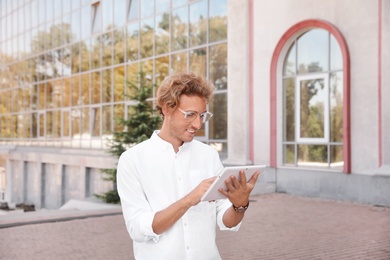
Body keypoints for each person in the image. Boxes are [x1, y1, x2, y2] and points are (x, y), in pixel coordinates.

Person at [117, 72, 260, 259]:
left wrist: (239, 205)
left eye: (202, 115)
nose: (198, 123)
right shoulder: (132, 160)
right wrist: (190, 199)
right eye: (190, 115)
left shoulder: (208, 155)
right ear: (167, 108)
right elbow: (137, 229)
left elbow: (226, 221)